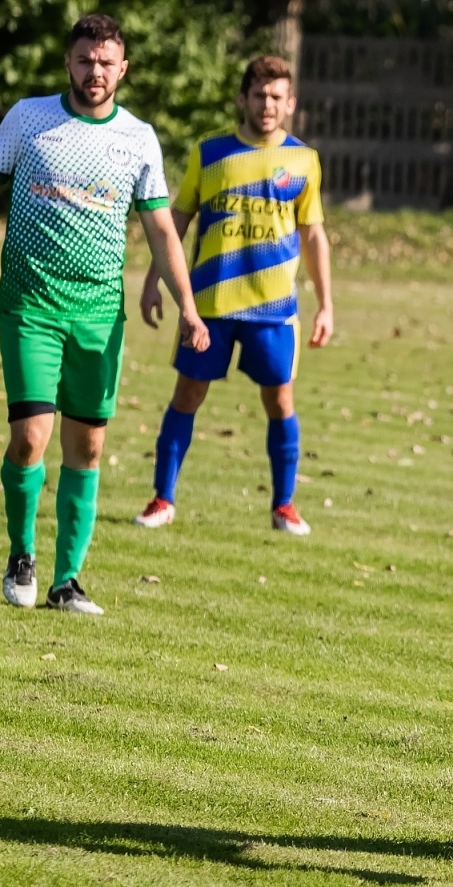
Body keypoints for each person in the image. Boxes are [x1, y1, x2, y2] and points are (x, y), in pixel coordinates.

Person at [0, 13, 208, 615]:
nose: (95, 72)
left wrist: (188, 309)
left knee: (86, 449)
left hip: (98, 314)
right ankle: (21, 553)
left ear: (123, 69)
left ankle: (67, 581)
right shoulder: (28, 119)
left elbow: (162, 228)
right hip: (29, 304)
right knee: (30, 438)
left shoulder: (138, 138)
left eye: (106, 62)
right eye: (85, 60)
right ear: (69, 62)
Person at [133, 54, 332, 535]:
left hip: (273, 309)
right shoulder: (209, 153)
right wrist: (151, 280)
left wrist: (326, 303)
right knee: (187, 394)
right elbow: (174, 221)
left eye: (277, 97)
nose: (268, 105)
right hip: (207, 307)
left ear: (291, 104)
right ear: (243, 99)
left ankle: (284, 505)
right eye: (260, 95)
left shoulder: (304, 160)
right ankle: (163, 498)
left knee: (279, 402)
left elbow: (313, 234)